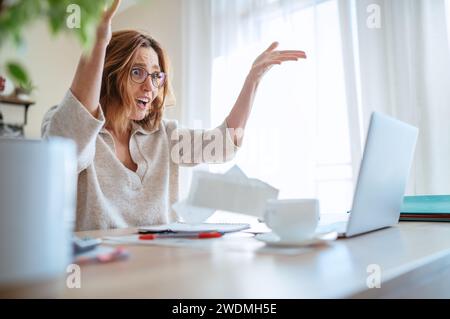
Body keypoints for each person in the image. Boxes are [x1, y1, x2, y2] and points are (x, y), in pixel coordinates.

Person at [42, 0, 306, 231]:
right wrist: (99, 40)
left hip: (160, 266)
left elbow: (225, 145)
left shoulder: (164, 136)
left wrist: (252, 81)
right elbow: (72, 140)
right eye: (137, 72)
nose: (150, 87)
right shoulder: (64, 125)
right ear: (109, 76)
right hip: (100, 274)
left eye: (156, 76)